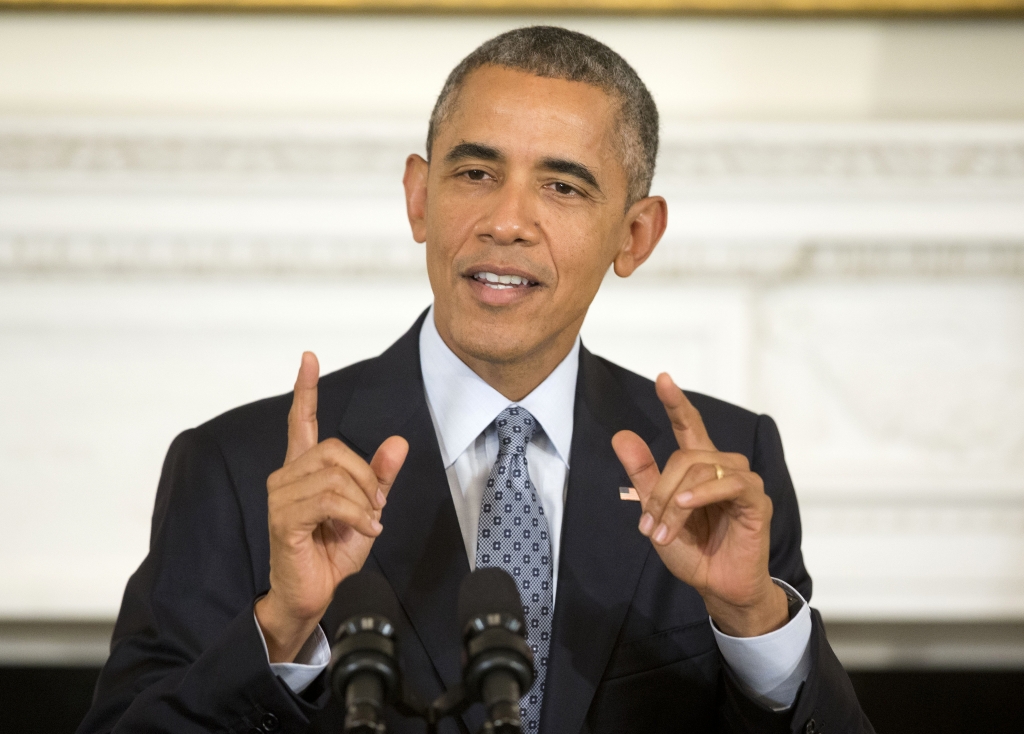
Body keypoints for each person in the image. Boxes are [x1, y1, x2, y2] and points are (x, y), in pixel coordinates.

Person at [78, 26, 873, 734]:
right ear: (419, 198)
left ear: (636, 235)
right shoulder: (237, 468)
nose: (506, 221)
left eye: (562, 186)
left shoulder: (726, 465)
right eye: (475, 174)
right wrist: (280, 627)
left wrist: (753, 621)